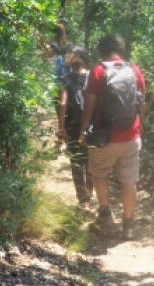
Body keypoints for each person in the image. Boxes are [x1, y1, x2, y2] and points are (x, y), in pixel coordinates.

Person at [79, 34, 145, 240]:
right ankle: (128, 225)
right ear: (120, 48)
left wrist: (83, 131)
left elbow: (89, 104)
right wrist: (139, 126)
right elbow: (142, 102)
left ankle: (106, 216)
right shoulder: (134, 70)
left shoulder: (98, 71)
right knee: (129, 180)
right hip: (131, 134)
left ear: (102, 49)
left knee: (99, 174)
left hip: (103, 136)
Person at [57, 46, 93, 209]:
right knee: (92, 160)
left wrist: (61, 127)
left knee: (76, 163)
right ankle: (91, 192)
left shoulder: (65, 79)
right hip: (92, 126)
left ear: (70, 61)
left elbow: (63, 103)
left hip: (72, 125)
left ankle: (83, 201)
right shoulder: (94, 77)